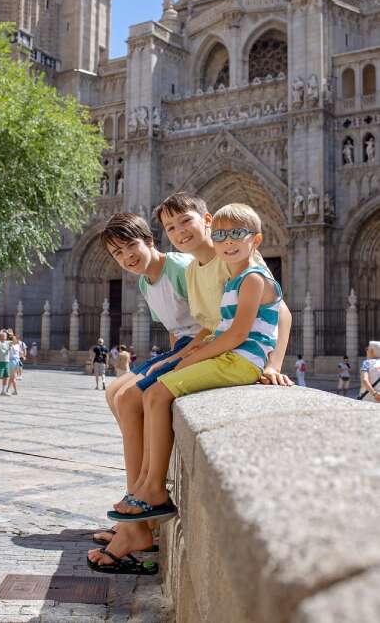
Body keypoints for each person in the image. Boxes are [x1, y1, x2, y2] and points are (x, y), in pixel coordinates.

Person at [88, 197, 292, 574]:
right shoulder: (194, 268)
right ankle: (140, 508)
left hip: (226, 351)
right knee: (120, 393)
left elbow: (276, 307)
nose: (180, 233)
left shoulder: (231, 259)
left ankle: (142, 512)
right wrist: (176, 357)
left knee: (138, 394)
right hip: (206, 344)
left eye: (186, 223)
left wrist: (273, 363)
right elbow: (197, 325)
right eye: (172, 227)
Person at [0, 330, 12, 396]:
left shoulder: (8, 342)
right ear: (0, 337)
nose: (4, 337)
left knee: (6, 376)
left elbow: (16, 342)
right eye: (3, 336)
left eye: (5, 336)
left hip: (6, 361)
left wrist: (11, 334)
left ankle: (3, 391)